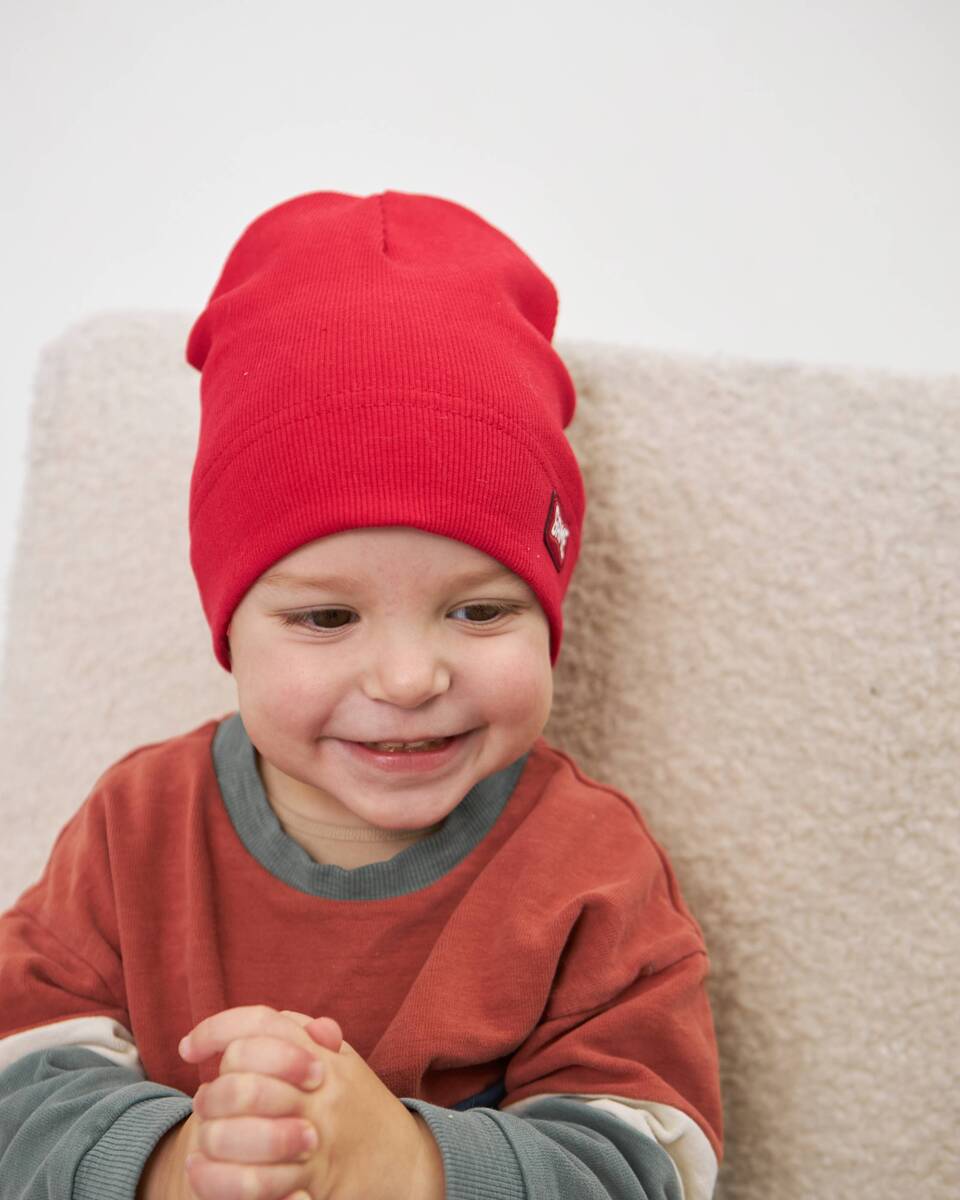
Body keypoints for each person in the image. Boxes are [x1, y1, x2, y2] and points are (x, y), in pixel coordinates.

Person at [0, 189, 723, 1200]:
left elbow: (651, 1166)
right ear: (229, 629)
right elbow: (20, 1078)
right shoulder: (137, 829)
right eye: (327, 617)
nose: (408, 679)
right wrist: (173, 1163)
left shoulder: (591, 875)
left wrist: (406, 1164)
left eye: (479, 611)